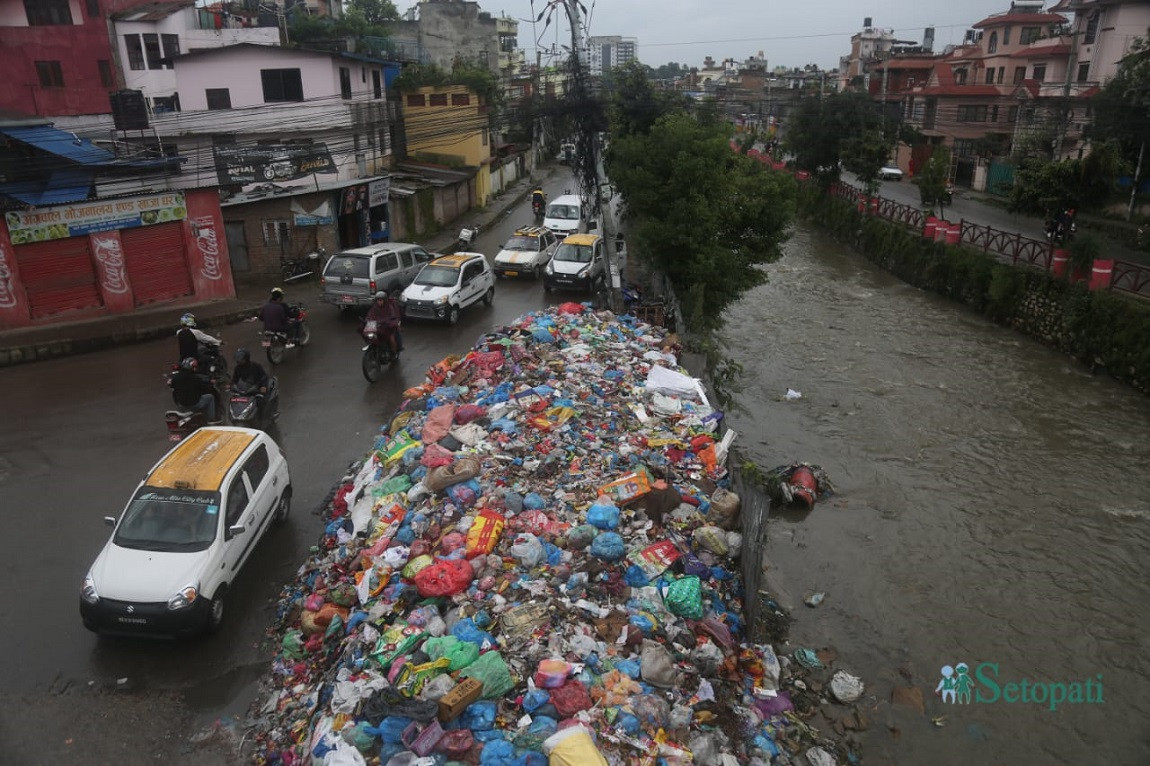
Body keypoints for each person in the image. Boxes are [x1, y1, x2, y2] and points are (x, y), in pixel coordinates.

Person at [170, 357, 220, 423]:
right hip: (194, 403)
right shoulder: (194, 378)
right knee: (210, 397)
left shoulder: (175, 377)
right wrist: (210, 383)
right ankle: (211, 419)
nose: (196, 368)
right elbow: (204, 387)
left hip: (182, 403)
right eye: (195, 367)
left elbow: (172, 386)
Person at [231, 348, 276, 419]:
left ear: (246, 359)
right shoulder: (237, 368)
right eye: (238, 360)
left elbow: (264, 377)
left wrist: (263, 386)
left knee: (260, 401)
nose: (239, 361)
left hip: (256, 389)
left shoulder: (256, 366)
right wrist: (231, 385)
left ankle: (263, 418)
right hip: (245, 390)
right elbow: (235, 379)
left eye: (241, 360)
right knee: (234, 400)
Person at [363, 289, 403, 356]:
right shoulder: (374, 308)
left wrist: (388, 322)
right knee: (370, 336)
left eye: (381, 300)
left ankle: (394, 353)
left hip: (388, 328)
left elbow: (392, 317)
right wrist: (367, 320)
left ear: (384, 300)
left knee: (391, 339)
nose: (379, 302)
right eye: (378, 300)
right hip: (378, 328)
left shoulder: (389, 308)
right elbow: (370, 316)